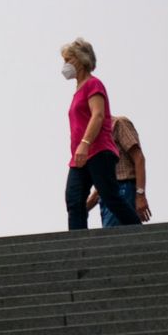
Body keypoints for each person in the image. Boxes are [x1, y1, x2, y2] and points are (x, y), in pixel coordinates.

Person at [61, 38, 140, 230]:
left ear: (79, 60)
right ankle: (78, 247)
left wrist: (85, 142)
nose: (65, 65)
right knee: (74, 199)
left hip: (98, 150)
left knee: (110, 196)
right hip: (80, 157)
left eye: (68, 59)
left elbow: (98, 115)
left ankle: (140, 232)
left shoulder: (93, 85)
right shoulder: (77, 91)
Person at [86, 116, 151, 226]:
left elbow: (139, 158)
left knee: (114, 237)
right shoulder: (95, 136)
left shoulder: (118, 123)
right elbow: (105, 179)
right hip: (107, 195)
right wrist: (82, 209)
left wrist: (140, 195)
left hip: (123, 190)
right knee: (115, 237)